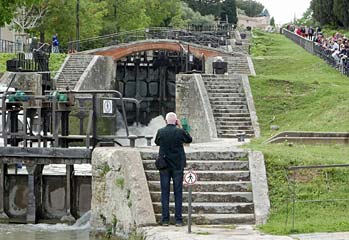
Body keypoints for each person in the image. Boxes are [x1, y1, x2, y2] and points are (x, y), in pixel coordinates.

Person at [155, 112, 192, 226]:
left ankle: (165, 220)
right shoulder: (180, 132)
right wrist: (180, 127)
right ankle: (178, 220)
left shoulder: (161, 131)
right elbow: (189, 140)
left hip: (164, 166)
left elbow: (157, 142)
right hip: (177, 166)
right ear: (176, 121)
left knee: (165, 193)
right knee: (178, 193)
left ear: (166, 121)